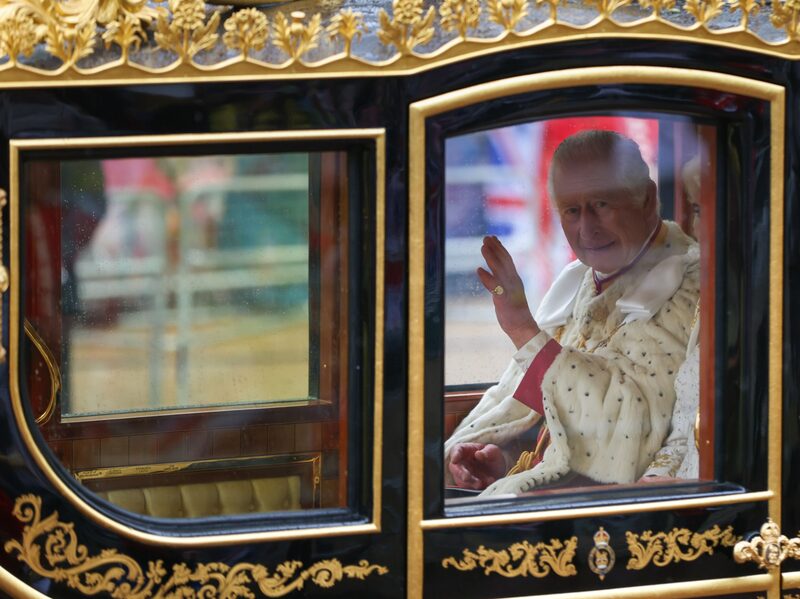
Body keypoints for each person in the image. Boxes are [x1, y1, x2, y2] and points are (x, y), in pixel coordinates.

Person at [445, 129, 700, 496]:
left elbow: (629, 432)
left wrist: (522, 330)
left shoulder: (687, 282)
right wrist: (504, 454)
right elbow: (550, 411)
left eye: (602, 205)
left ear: (646, 200)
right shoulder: (578, 279)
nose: (587, 229)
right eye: (572, 211)